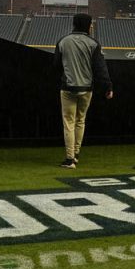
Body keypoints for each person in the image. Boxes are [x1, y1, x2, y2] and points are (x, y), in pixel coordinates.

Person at [53, 14, 113, 168]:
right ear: (86, 25)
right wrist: (108, 87)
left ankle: (69, 159)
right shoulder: (93, 43)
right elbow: (100, 68)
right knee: (80, 121)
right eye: (90, 24)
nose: (92, 26)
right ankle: (76, 154)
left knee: (69, 123)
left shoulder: (63, 41)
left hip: (67, 88)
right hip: (86, 89)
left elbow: (56, 65)